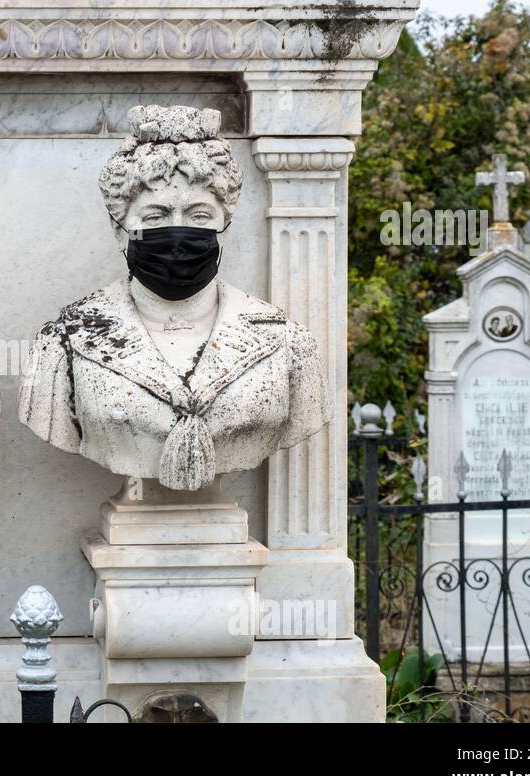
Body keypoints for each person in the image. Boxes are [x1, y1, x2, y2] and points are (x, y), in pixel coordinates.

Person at [19, 105, 329, 491]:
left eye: (199, 215)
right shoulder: (63, 342)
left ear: (225, 227)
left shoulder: (289, 345)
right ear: (120, 230)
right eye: (155, 216)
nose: (177, 231)